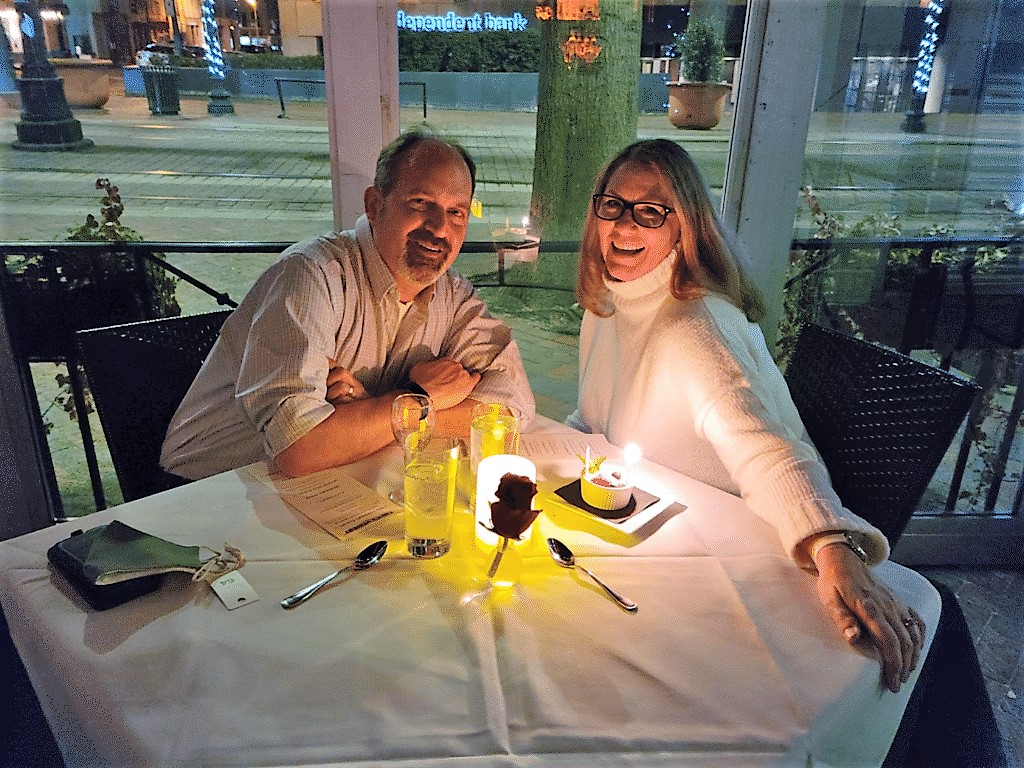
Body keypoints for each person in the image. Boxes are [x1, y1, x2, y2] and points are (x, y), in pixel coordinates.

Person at [567, 138, 925, 695]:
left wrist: (833, 546)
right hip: (647, 533)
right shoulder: (609, 306)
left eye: (650, 211)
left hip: (726, 563)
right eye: (612, 205)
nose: (624, 226)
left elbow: (770, 447)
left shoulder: (695, 327)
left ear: (685, 226)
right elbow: (599, 416)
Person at [161, 128, 534, 480]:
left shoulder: (452, 294)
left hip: (318, 483)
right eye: (421, 202)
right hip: (204, 493)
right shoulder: (312, 274)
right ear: (375, 205)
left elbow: (511, 407)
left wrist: (383, 407)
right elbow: (299, 447)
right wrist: (421, 398)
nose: (439, 228)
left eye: (457, 212)